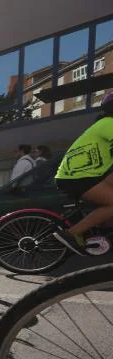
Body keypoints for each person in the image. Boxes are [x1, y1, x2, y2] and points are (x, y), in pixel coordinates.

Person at [51, 92, 113, 255]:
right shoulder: (108, 124)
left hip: (87, 174)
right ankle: (73, 233)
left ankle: (103, 223)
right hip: (77, 177)